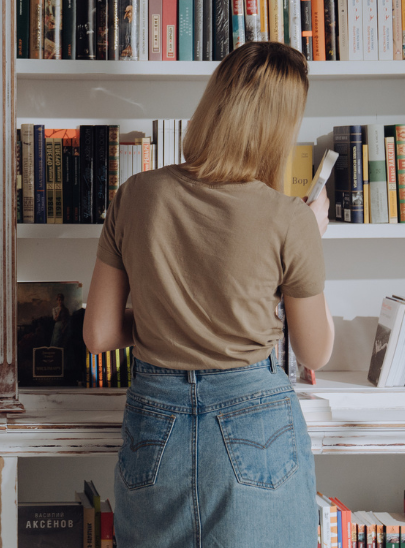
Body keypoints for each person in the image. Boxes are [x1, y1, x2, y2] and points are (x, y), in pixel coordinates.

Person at [84, 42, 334, 548]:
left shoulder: (135, 194)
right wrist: (311, 233)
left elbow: (100, 335)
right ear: (279, 129)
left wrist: (165, 318)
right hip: (256, 417)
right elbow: (316, 352)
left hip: (154, 419)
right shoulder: (291, 218)